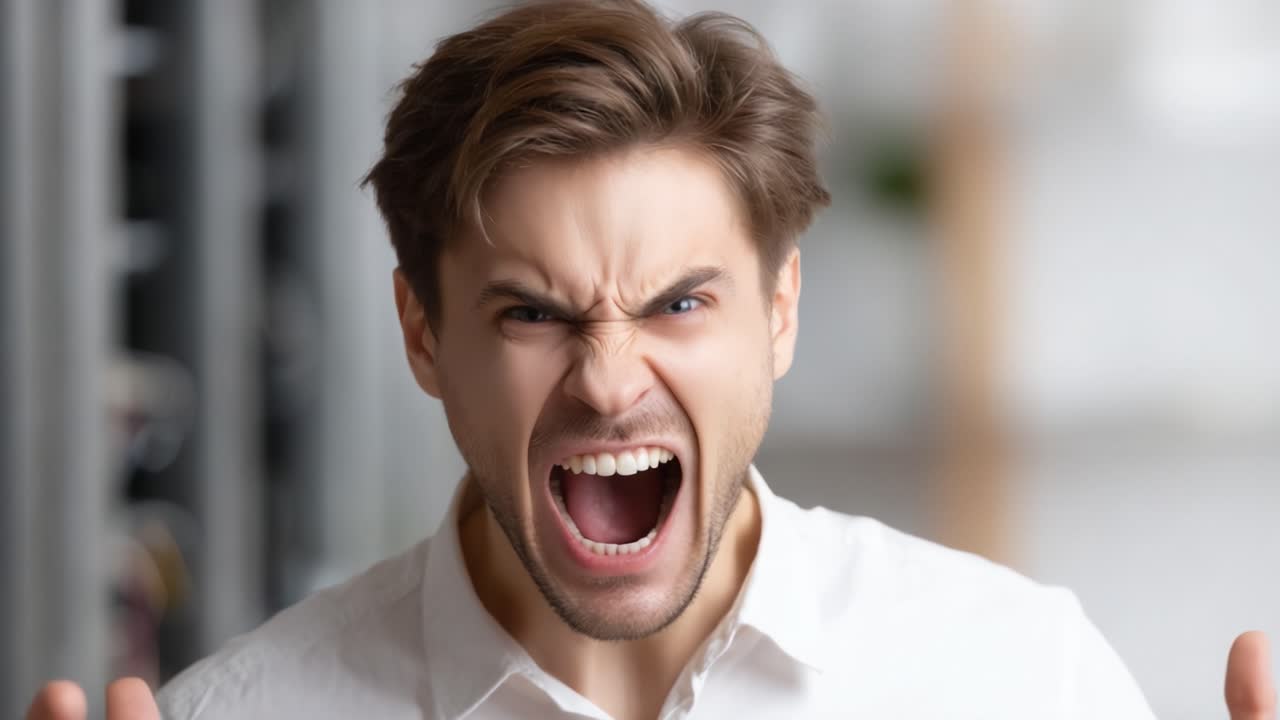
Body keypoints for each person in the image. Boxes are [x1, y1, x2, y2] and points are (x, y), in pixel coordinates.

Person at [27, 1, 1276, 718]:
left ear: (778, 312)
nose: (608, 382)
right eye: (532, 315)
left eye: (678, 304)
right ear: (422, 334)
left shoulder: (1012, 679)